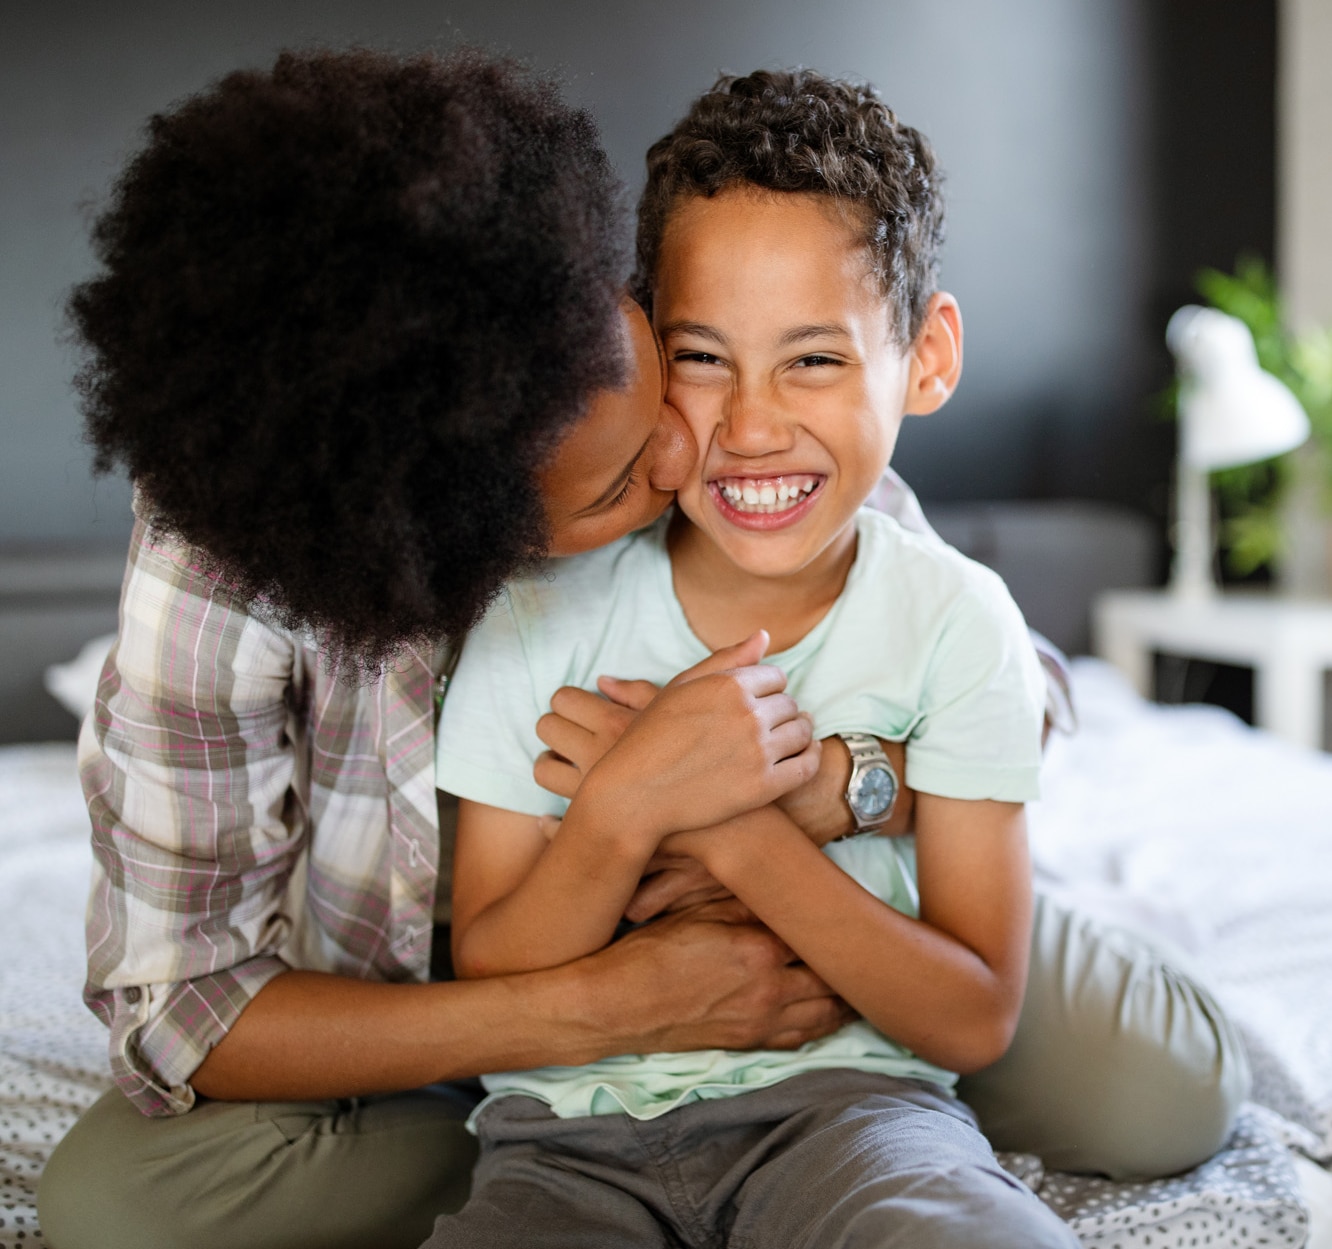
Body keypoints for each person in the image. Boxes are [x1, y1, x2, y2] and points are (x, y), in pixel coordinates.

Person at [36, 47, 1244, 1249]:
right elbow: (182, 1008)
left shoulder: (740, 424)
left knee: (1159, 1095)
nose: (692, 453)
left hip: (831, 923)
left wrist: (829, 789)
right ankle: (564, 1145)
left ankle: (827, 1118)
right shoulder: (248, 540)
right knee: (117, 1210)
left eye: (653, 366)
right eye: (620, 484)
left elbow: (1017, 686)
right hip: (456, 982)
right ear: (481, 535)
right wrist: (601, 1009)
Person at [424, 66, 1080, 1248]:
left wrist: (734, 828)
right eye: (702, 357)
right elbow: (489, 965)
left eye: (814, 359)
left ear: (927, 357)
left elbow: (976, 1016)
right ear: (636, 346)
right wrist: (626, 804)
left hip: (856, 1115)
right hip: (563, 1138)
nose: (753, 426)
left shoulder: (958, 620)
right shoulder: (533, 613)